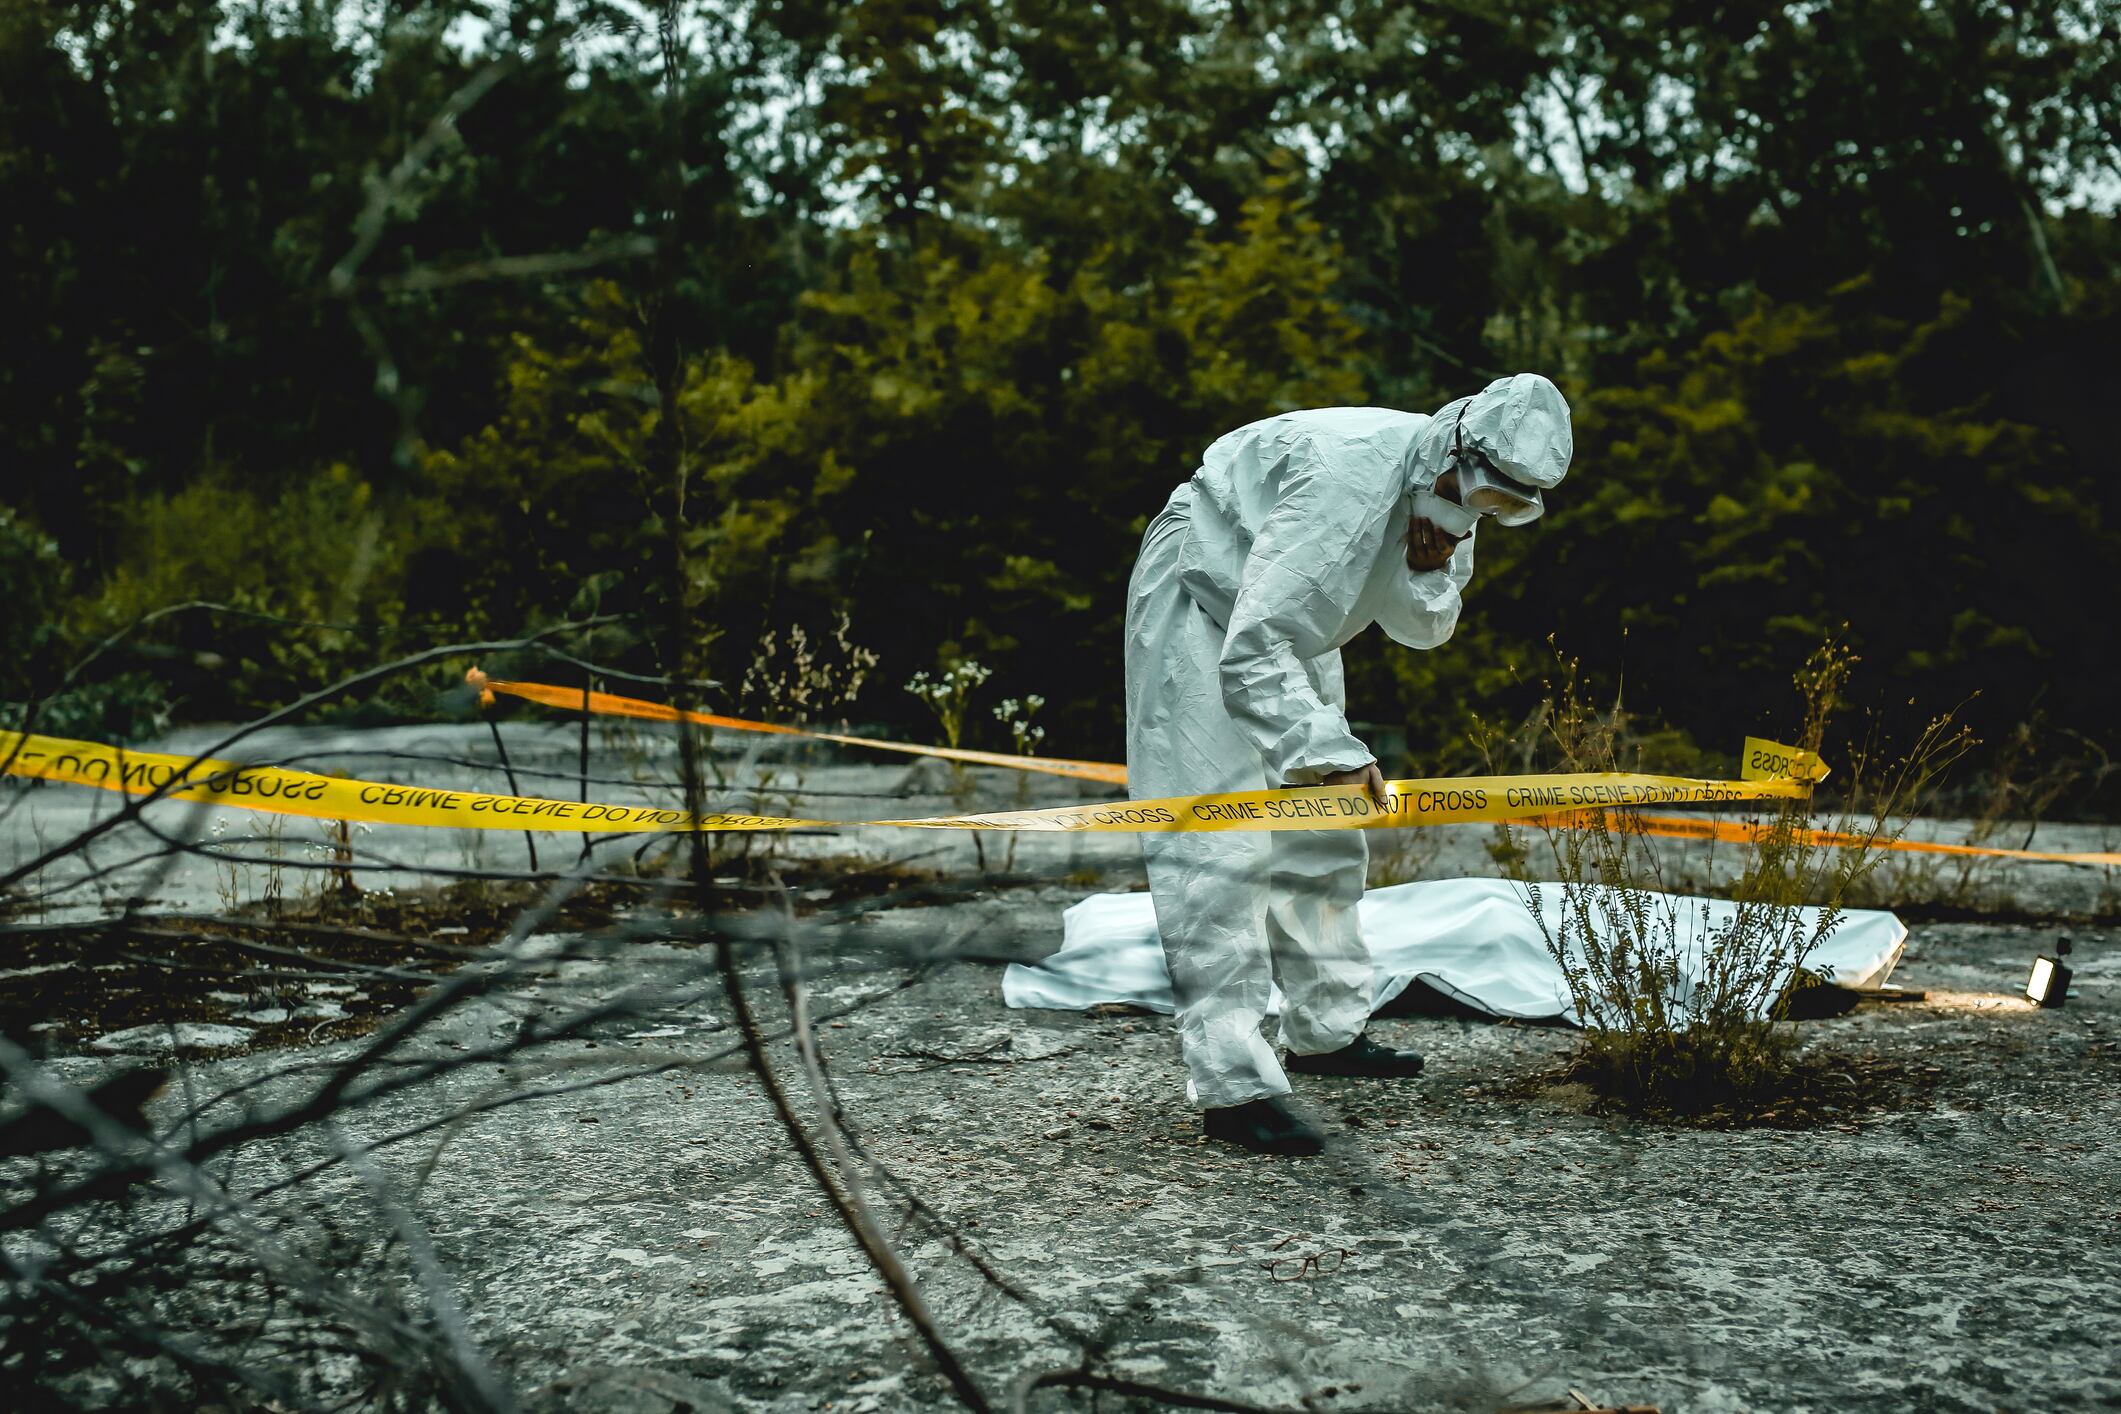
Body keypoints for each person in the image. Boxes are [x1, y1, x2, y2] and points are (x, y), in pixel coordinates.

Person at [1123, 374, 1574, 1155]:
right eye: (1481, 496)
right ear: (1452, 447)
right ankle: (1233, 1087)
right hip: (1202, 601)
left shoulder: (1455, 497)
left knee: (1326, 839)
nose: (1482, 513)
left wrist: (1431, 569)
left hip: (1295, 633)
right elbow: (1254, 648)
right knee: (1218, 843)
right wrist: (1326, 752)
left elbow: (1420, 630)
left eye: (1504, 507)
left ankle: (1325, 1032)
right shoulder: (1346, 478)